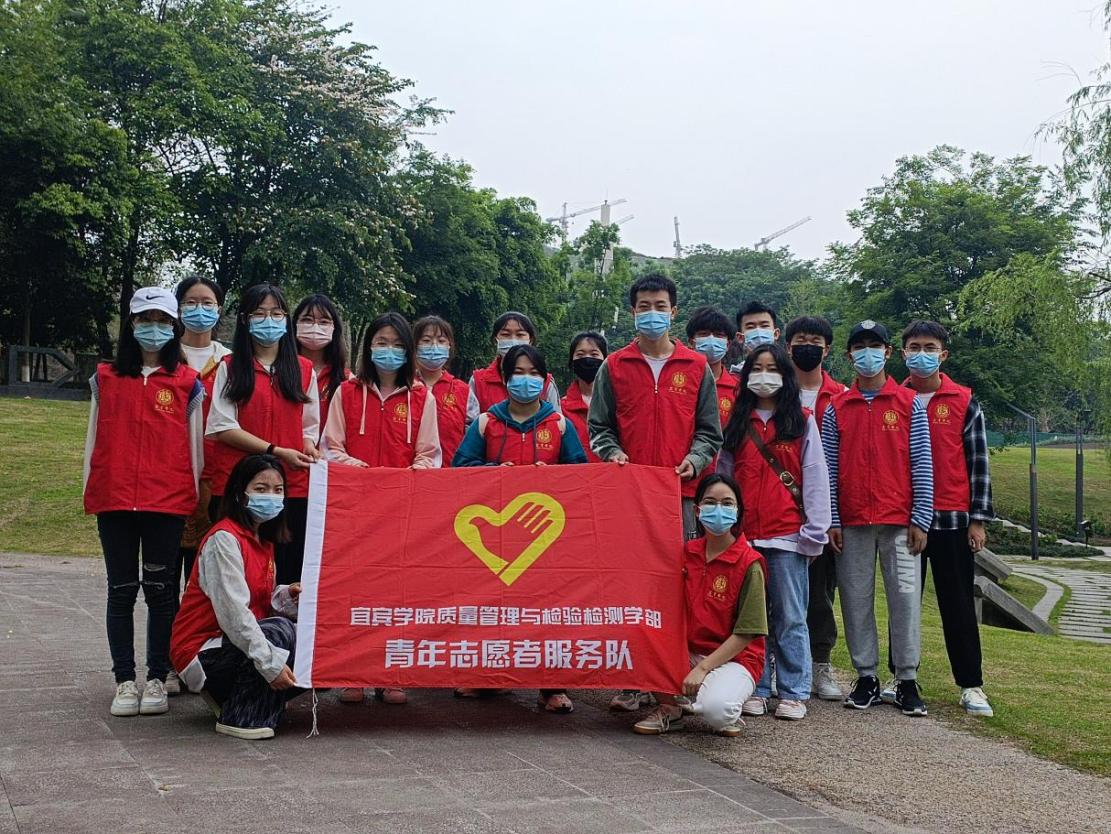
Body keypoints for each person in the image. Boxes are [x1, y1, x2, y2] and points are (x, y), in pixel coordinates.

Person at [588, 272, 723, 713]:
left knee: (678, 584)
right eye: (644, 306)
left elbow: (710, 432)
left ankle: (673, 674)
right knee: (632, 586)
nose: (652, 314)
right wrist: (613, 453)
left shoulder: (696, 367)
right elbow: (599, 428)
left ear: (673, 312)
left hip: (680, 497)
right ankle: (634, 679)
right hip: (630, 498)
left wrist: (695, 461)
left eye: (659, 306)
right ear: (633, 312)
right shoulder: (615, 366)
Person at [83, 286, 204, 718]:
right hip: (114, 501)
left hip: (165, 504)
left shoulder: (188, 383)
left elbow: (195, 449)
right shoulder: (105, 378)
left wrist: (189, 496)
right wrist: (93, 488)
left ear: (174, 327)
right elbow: (93, 440)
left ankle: (156, 676)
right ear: (131, 324)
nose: (154, 328)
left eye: (163, 321)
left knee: (160, 592)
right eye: (145, 320)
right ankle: (123, 680)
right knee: (120, 591)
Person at [453, 343, 586, 713]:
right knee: (492, 606)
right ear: (505, 378)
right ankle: (485, 677)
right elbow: (459, 469)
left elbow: (581, 475)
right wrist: (493, 473)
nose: (525, 380)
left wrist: (553, 477)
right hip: (493, 539)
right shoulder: (486, 422)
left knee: (548, 608)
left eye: (533, 374)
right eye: (518, 373)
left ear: (545, 380)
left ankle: (552, 687)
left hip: (545, 538)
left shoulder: (559, 424)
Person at [323, 312, 441, 706]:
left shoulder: (422, 397)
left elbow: (430, 454)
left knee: (397, 593)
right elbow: (330, 448)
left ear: (408, 351)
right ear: (368, 347)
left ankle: (392, 674)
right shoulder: (346, 392)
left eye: (397, 344)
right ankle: (353, 673)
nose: (389, 351)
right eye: (381, 343)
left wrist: (405, 478)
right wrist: (362, 472)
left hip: (401, 510)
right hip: (354, 510)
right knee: (354, 591)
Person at [821, 320, 934, 717]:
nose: (866, 352)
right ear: (849, 354)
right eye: (859, 346)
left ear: (887, 352)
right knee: (855, 601)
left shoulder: (909, 403)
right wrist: (832, 519)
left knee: (905, 601)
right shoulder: (837, 408)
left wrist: (921, 517)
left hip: (899, 522)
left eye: (874, 345)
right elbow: (829, 468)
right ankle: (865, 675)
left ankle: (906, 679)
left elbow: (922, 462)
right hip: (852, 523)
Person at [716, 344, 830, 721]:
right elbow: (724, 477)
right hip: (746, 537)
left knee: (790, 616)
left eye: (772, 368)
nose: (764, 376)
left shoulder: (801, 421)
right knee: (752, 617)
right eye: (757, 368)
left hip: (788, 535)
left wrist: (815, 531)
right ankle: (758, 685)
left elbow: (815, 476)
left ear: (785, 375)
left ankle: (794, 690)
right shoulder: (737, 422)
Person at [897, 320, 995, 717]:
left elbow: (978, 462)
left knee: (957, 606)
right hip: (906, 522)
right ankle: (903, 677)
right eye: (914, 346)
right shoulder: (894, 399)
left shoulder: (963, 400)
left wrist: (978, 519)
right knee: (904, 604)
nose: (922, 353)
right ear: (903, 353)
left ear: (943, 354)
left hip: (952, 519)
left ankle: (971, 684)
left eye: (930, 347)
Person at [171, 454, 304, 740]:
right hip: (204, 646)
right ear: (239, 494)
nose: (271, 497)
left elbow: (261, 597)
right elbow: (234, 614)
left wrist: (288, 595)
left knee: (312, 639)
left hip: (236, 642)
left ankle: (248, 698)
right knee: (282, 631)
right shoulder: (224, 540)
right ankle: (240, 716)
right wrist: (270, 666)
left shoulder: (262, 540)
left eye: (278, 490)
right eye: (261, 489)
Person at [633, 474, 767, 738]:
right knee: (637, 633)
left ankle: (719, 704)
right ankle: (670, 708)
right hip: (687, 651)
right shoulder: (685, 554)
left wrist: (703, 669)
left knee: (718, 711)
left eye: (727, 503)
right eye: (710, 502)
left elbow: (747, 633)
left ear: (738, 511)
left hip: (735, 659)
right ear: (697, 510)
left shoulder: (749, 563)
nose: (718, 509)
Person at [206, 283, 321, 587]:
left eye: (276, 313)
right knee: (237, 576)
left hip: (290, 488)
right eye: (259, 314)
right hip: (237, 485)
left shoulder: (303, 369)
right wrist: (275, 450)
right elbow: (222, 426)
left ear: (286, 319)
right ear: (245, 320)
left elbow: (309, 427)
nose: (269, 320)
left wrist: (308, 446)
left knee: (287, 578)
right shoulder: (230, 368)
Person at [173, 273, 232, 695]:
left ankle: (204, 659)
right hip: (171, 477)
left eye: (207, 302)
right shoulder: (164, 356)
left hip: (217, 479)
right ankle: (165, 661)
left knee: (209, 578)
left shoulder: (229, 361)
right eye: (191, 302)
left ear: (219, 309)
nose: (199, 309)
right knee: (166, 579)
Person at [785, 315, 847, 701]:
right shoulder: (775, 392)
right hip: (779, 507)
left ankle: (820, 662)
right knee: (777, 590)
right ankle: (775, 664)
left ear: (827, 349)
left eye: (815, 341)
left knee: (821, 591)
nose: (807, 347)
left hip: (823, 509)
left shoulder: (841, 396)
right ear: (788, 346)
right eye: (801, 340)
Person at [466, 311, 560, 424]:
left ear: (530, 340)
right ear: (495, 339)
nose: (513, 340)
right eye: (506, 335)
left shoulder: (545, 381)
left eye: (520, 335)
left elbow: (557, 423)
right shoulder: (478, 381)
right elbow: (469, 424)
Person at [413, 315, 470, 464]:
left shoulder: (463, 391)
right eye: (426, 340)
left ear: (449, 346)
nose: (434, 345)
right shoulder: (402, 388)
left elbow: (474, 441)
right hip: (410, 472)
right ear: (415, 346)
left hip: (451, 473)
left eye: (441, 341)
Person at [292, 293, 349, 432]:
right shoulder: (278, 371)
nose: (315, 327)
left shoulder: (346, 379)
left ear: (334, 328)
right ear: (295, 325)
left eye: (324, 322)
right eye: (307, 320)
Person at [686, 306, 739, 430]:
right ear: (691, 342)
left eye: (718, 335)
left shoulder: (737, 388)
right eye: (704, 334)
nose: (711, 339)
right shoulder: (681, 382)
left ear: (728, 344)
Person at [560, 331, 608, 463]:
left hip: (611, 473)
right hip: (574, 474)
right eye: (580, 355)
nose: (587, 359)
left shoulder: (619, 405)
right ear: (571, 362)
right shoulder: (560, 408)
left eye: (594, 354)